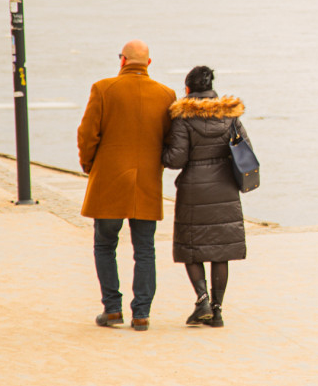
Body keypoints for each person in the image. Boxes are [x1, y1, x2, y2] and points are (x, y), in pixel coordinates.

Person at [77, 40, 176, 332]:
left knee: (105, 245)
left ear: (122, 60)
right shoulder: (166, 94)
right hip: (146, 183)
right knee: (145, 249)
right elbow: (171, 141)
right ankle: (141, 314)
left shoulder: (103, 89)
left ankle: (112, 309)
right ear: (149, 63)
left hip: (109, 181)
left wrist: (89, 166)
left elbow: (87, 134)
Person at [162, 65, 250, 328]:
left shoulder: (183, 118)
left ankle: (202, 300)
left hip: (193, 189)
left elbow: (176, 160)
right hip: (225, 187)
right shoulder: (229, 115)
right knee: (220, 251)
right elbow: (245, 149)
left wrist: (162, 152)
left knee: (192, 248)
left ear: (188, 88)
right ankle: (217, 311)